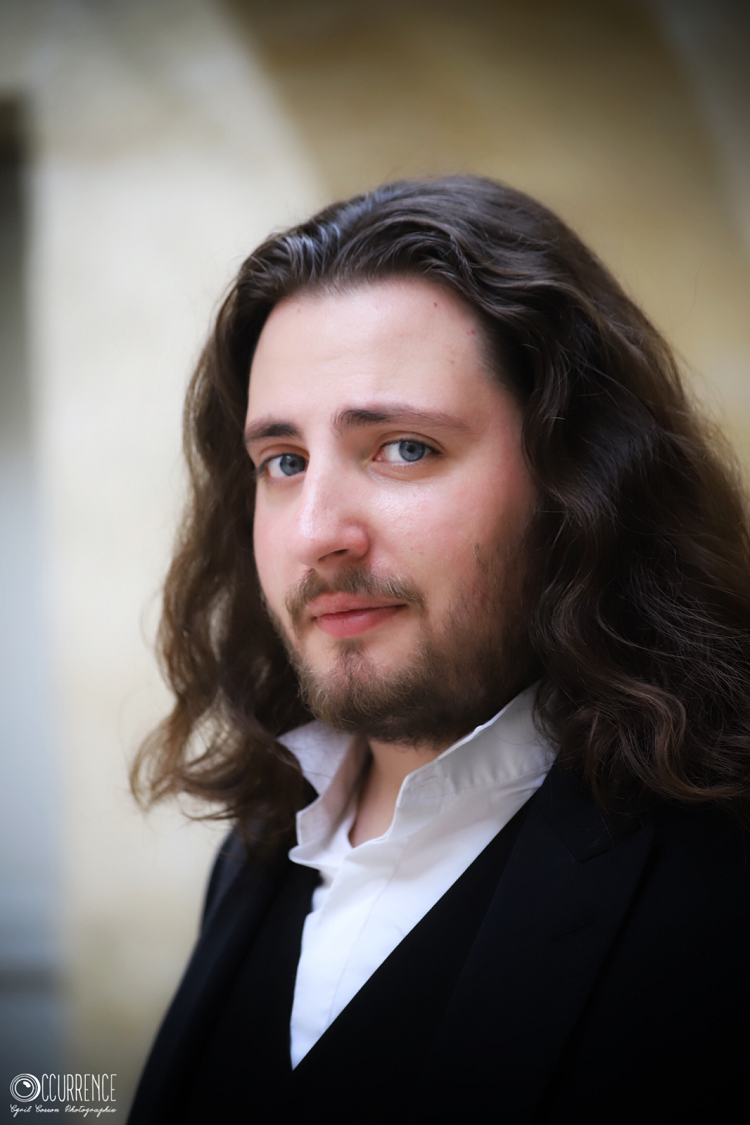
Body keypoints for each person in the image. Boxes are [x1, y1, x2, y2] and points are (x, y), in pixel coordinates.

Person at [127, 176, 750, 1124]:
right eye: (283, 462)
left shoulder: (718, 890)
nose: (317, 532)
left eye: (404, 448)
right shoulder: (256, 851)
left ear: (577, 481)